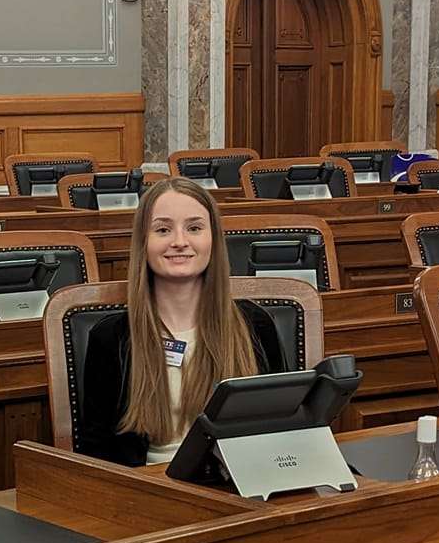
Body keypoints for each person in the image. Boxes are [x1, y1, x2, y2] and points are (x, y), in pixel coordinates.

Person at [75, 178, 289, 467]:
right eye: (163, 229)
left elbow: (284, 428)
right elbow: (96, 453)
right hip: (147, 495)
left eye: (194, 228)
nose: (179, 241)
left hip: (239, 487)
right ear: (143, 243)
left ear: (213, 239)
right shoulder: (111, 337)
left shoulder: (256, 325)